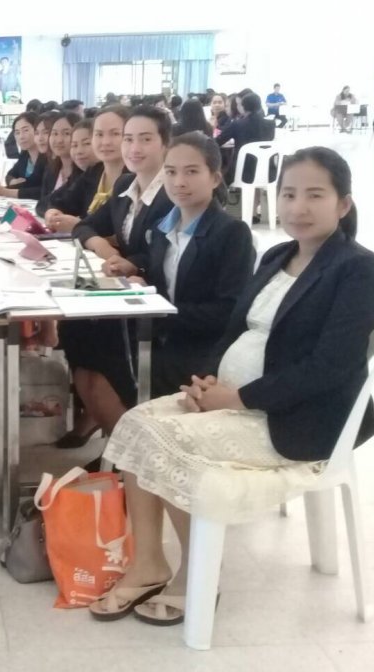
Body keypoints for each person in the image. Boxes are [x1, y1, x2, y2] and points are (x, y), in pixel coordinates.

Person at [91, 147, 374, 625]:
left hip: (295, 420)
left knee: (164, 441)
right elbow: (234, 330)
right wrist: (206, 381)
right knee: (134, 424)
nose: (298, 207)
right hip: (231, 399)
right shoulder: (278, 255)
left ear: (343, 204)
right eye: (289, 194)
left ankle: (196, 576)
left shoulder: (356, 269)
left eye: (315, 195)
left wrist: (239, 397)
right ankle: (148, 563)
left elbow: (327, 368)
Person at [61, 106, 174, 442]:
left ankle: (126, 446)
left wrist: (132, 262)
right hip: (124, 287)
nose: (133, 148)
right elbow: (84, 227)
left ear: (165, 143)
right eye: (129, 139)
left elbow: (162, 253)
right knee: (74, 330)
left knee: (97, 341)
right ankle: (110, 431)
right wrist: (105, 248)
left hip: (156, 297)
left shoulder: (172, 192)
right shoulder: (126, 185)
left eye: (145, 139)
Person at [136, 132, 255, 397]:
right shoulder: (161, 229)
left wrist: (161, 313)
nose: (179, 182)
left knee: (121, 368)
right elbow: (161, 284)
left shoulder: (232, 233)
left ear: (215, 178)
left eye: (191, 172)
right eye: (170, 172)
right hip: (162, 340)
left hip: (203, 350)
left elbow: (229, 310)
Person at [44, 106, 130, 235]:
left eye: (115, 134)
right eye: (99, 134)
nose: (105, 142)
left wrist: (80, 226)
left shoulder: (133, 179)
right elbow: (60, 202)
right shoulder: (94, 172)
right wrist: (52, 213)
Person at [217, 92, 275, 184]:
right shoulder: (271, 124)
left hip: (242, 172)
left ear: (243, 107)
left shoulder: (237, 124)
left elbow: (218, 141)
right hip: (268, 172)